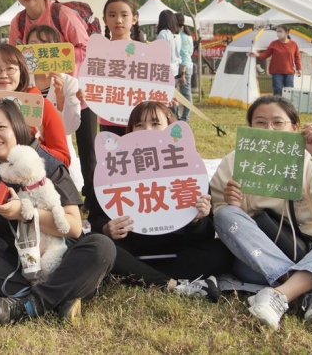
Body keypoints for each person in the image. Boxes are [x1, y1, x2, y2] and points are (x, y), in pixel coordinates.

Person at [210, 96, 312, 330]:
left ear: (294, 128)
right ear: (250, 127)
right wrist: (237, 208)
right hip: (261, 264)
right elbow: (222, 224)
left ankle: (281, 295)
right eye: (260, 122)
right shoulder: (234, 162)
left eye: (277, 122)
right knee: (225, 215)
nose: (269, 129)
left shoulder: (311, 161)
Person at [0, 99, 115, 324]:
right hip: (15, 264)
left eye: (1, 127)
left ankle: (28, 305)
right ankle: (61, 297)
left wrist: (24, 213)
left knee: (101, 247)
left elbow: (73, 228)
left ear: (17, 128)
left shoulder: (48, 166)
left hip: (57, 258)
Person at [90, 101, 231, 298]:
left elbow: (206, 234)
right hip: (131, 250)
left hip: (178, 252)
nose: (147, 130)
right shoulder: (110, 170)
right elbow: (95, 220)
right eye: (139, 125)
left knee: (221, 251)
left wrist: (198, 219)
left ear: (171, 128)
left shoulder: (190, 167)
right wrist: (107, 229)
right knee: (96, 246)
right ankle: (174, 284)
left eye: (156, 124)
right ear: (129, 131)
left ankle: (145, 278)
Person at [7, 0, 95, 205]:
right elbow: (16, 54)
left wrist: (60, 67)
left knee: (88, 149)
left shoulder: (62, 14)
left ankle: (92, 199)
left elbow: (85, 48)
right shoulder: (19, 21)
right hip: (39, 89)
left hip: (75, 88)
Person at [0, 44, 71, 169]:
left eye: (10, 68)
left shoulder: (42, 106)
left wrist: (30, 143)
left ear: (21, 72)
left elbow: (64, 159)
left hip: (38, 183)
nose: (3, 75)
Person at [24, 27, 83, 189]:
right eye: (33, 44)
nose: (39, 49)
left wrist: (60, 97)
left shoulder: (69, 82)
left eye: (45, 44)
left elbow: (70, 127)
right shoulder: (21, 81)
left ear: (55, 48)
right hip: (27, 149)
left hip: (58, 150)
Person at [249, 25, 302, 97]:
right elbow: (266, 54)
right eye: (277, 31)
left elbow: (297, 57)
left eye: (280, 31)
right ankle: (277, 106)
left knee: (289, 91)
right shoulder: (274, 43)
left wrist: (299, 69)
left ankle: (287, 107)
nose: (278, 33)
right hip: (276, 72)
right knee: (278, 90)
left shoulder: (294, 44)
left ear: (287, 33)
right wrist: (257, 54)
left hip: (289, 72)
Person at [156, 10, 181, 93]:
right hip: (175, 70)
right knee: (172, 97)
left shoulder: (163, 33)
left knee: (165, 98)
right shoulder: (177, 36)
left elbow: (160, 55)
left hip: (165, 71)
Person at [176, 12, 194, 121]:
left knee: (185, 95)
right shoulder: (188, 36)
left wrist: (182, 73)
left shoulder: (180, 37)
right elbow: (190, 52)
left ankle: (184, 118)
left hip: (183, 67)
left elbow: (183, 56)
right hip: (188, 66)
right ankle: (183, 117)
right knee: (186, 94)